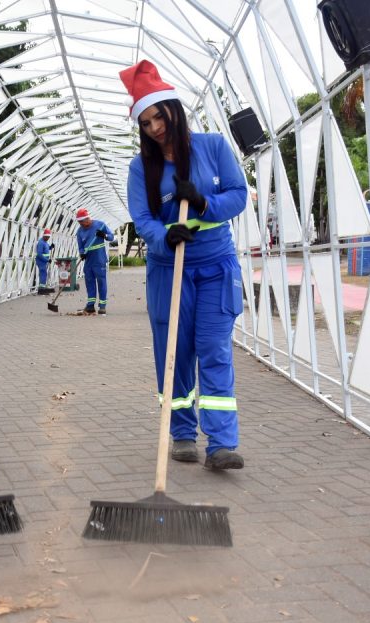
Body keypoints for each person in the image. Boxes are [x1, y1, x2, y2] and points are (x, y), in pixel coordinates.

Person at [121, 60, 249, 470]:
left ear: (174, 110)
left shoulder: (212, 147)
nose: (155, 127)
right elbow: (142, 219)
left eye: (159, 116)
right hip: (168, 268)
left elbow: (239, 195)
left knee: (213, 350)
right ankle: (180, 432)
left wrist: (202, 204)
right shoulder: (141, 167)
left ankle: (222, 443)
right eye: (145, 123)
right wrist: (163, 236)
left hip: (214, 266)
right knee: (174, 353)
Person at [75, 208, 117, 314]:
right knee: (89, 282)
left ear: (87, 218)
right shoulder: (79, 231)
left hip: (99, 260)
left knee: (101, 282)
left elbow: (112, 237)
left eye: (82, 221)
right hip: (89, 261)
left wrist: (104, 235)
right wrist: (82, 253)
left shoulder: (100, 225)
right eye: (79, 222)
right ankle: (90, 305)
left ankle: (102, 306)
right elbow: (80, 246)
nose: (81, 224)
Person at [35, 228, 54, 294]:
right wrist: (47, 260)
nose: (48, 238)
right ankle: (41, 289)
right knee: (43, 273)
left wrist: (51, 247)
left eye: (49, 237)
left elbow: (47, 248)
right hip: (41, 261)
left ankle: (42, 287)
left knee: (44, 273)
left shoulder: (45, 242)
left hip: (44, 261)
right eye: (47, 237)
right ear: (44, 236)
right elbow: (39, 254)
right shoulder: (41, 243)